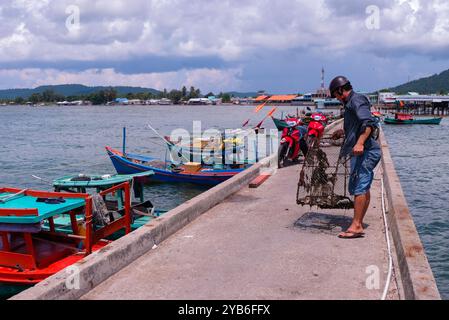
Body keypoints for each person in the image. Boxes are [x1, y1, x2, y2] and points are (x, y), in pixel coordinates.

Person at [329, 76, 381, 239]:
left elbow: (368, 123)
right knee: (361, 187)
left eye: (336, 95)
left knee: (359, 186)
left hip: (366, 151)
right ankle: (359, 221)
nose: (337, 99)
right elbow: (357, 125)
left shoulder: (356, 100)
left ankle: (357, 225)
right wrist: (343, 132)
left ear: (340, 90)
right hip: (362, 151)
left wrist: (359, 143)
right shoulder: (350, 103)